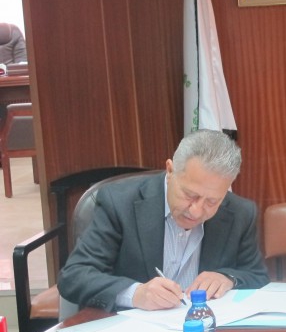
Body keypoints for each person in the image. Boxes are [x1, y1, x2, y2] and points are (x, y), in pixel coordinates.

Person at [58, 130, 270, 312]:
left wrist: (228, 278)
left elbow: (257, 276)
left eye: (212, 201)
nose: (196, 211)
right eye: (190, 195)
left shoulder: (240, 213)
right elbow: (75, 276)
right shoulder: (119, 203)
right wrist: (135, 294)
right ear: (170, 171)